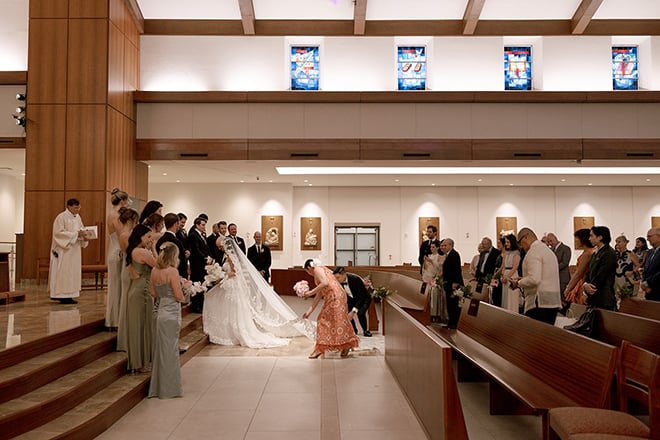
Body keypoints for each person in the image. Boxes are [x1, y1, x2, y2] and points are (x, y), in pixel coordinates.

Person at [203, 237, 314, 348]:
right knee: (231, 309)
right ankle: (231, 331)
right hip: (231, 285)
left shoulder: (231, 257)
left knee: (233, 309)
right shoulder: (227, 256)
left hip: (233, 285)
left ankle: (236, 332)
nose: (220, 248)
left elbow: (235, 272)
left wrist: (223, 275)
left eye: (221, 246)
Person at [148, 243, 185, 399]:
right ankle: (170, 389)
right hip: (171, 314)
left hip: (160, 312)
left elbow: (152, 293)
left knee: (161, 351)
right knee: (170, 350)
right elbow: (178, 296)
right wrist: (185, 289)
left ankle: (158, 388)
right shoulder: (173, 271)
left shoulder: (155, 271)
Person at [302, 259, 359, 358]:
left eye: (307, 272)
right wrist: (309, 312)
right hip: (339, 295)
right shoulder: (324, 270)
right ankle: (346, 344)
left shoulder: (317, 269)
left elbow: (324, 283)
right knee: (340, 321)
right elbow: (319, 294)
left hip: (334, 297)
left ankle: (320, 348)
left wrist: (310, 292)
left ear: (309, 268)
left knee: (322, 320)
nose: (309, 274)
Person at [122, 224, 157, 372]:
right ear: (139, 237)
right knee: (141, 326)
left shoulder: (133, 250)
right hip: (142, 291)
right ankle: (140, 363)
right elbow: (159, 265)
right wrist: (154, 249)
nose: (150, 240)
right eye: (148, 237)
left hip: (137, 289)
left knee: (140, 326)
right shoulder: (142, 252)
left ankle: (141, 361)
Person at [510, 228, 561, 324]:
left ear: (525, 237)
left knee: (535, 337)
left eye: (520, 243)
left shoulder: (533, 252)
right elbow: (543, 276)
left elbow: (534, 279)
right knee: (546, 335)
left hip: (539, 302)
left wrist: (518, 283)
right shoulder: (548, 251)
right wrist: (524, 279)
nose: (521, 247)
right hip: (552, 301)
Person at [49, 198, 89, 304]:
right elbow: (58, 233)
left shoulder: (78, 218)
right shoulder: (61, 217)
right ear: (69, 206)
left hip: (74, 250)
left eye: (79, 207)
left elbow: (81, 230)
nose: (78, 210)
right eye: (76, 207)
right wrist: (76, 234)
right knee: (64, 272)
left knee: (72, 272)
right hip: (64, 250)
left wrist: (85, 236)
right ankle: (60, 295)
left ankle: (70, 295)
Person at [115, 207, 139, 352]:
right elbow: (128, 256)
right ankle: (125, 339)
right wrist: (133, 271)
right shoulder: (124, 235)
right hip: (129, 269)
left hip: (134, 268)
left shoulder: (130, 233)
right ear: (131, 220)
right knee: (127, 302)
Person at [106, 189, 131, 328]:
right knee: (116, 285)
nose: (128, 204)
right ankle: (114, 319)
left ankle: (119, 318)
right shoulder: (114, 215)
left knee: (120, 285)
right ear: (122, 201)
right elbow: (122, 234)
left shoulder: (116, 214)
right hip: (117, 252)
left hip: (117, 249)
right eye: (127, 201)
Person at [583, 226, 617, 311]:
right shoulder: (596, 253)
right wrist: (585, 285)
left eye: (591, 236)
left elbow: (602, 275)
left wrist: (589, 290)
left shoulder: (609, 253)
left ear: (600, 237)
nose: (589, 238)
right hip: (594, 296)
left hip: (603, 297)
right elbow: (588, 272)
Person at [332, 266, 373, 337]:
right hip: (351, 299)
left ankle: (365, 330)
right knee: (345, 312)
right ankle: (354, 330)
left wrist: (353, 311)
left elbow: (362, 296)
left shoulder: (355, 279)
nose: (337, 280)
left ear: (344, 274)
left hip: (364, 299)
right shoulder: (339, 283)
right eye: (335, 278)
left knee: (361, 313)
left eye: (338, 277)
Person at [564, 229, 595, 306]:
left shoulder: (587, 253)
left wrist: (568, 288)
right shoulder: (588, 251)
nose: (575, 241)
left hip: (582, 283)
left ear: (582, 239)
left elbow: (578, 273)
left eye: (577, 238)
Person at [156, 213, 189, 279]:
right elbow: (181, 261)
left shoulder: (160, 240)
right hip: (175, 275)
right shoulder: (176, 241)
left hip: (161, 273)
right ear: (176, 223)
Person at [440, 238, 464, 329]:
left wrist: (455, 282)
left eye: (445, 245)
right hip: (448, 283)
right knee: (450, 304)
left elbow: (457, 270)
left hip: (454, 284)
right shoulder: (447, 255)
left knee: (454, 304)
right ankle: (451, 322)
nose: (442, 247)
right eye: (442, 245)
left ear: (450, 245)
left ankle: (454, 323)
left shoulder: (454, 254)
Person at [187, 217, 209, 313]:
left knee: (201, 283)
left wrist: (208, 257)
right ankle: (195, 305)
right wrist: (205, 258)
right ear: (197, 225)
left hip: (202, 264)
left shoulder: (202, 235)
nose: (204, 227)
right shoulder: (193, 235)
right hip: (197, 264)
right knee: (197, 283)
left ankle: (200, 304)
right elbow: (196, 250)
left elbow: (205, 248)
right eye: (203, 225)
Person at [422, 240, 446, 323]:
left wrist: (431, 261)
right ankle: (427, 312)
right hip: (427, 278)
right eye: (431, 247)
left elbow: (439, 268)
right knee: (427, 296)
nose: (431, 249)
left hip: (434, 278)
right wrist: (425, 262)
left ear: (437, 248)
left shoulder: (439, 257)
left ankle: (435, 314)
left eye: (433, 247)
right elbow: (425, 268)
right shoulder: (429, 255)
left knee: (434, 296)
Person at [546, 233, 572, 303]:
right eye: (548, 242)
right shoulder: (550, 250)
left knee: (563, 299)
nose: (550, 243)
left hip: (562, 278)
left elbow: (565, 263)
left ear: (555, 238)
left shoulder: (566, 248)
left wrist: (552, 268)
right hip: (553, 279)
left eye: (551, 241)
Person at [498, 234, 521, 313]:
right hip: (505, 275)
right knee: (505, 296)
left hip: (512, 276)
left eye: (508, 242)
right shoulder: (506, 253)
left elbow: (514, 267)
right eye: (506, 242)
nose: (506, 244)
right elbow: (504, 266)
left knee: (511, 297)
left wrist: (507, 277)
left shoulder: (516, 253)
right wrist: (502, 276)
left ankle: (512, 312)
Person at [641, 227, 660, 301]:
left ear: (658, 236)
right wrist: (644, 284)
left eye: (649, 236)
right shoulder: (650, 252)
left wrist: (648, 283)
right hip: (649, 292)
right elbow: (647, 269)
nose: (647, 239)